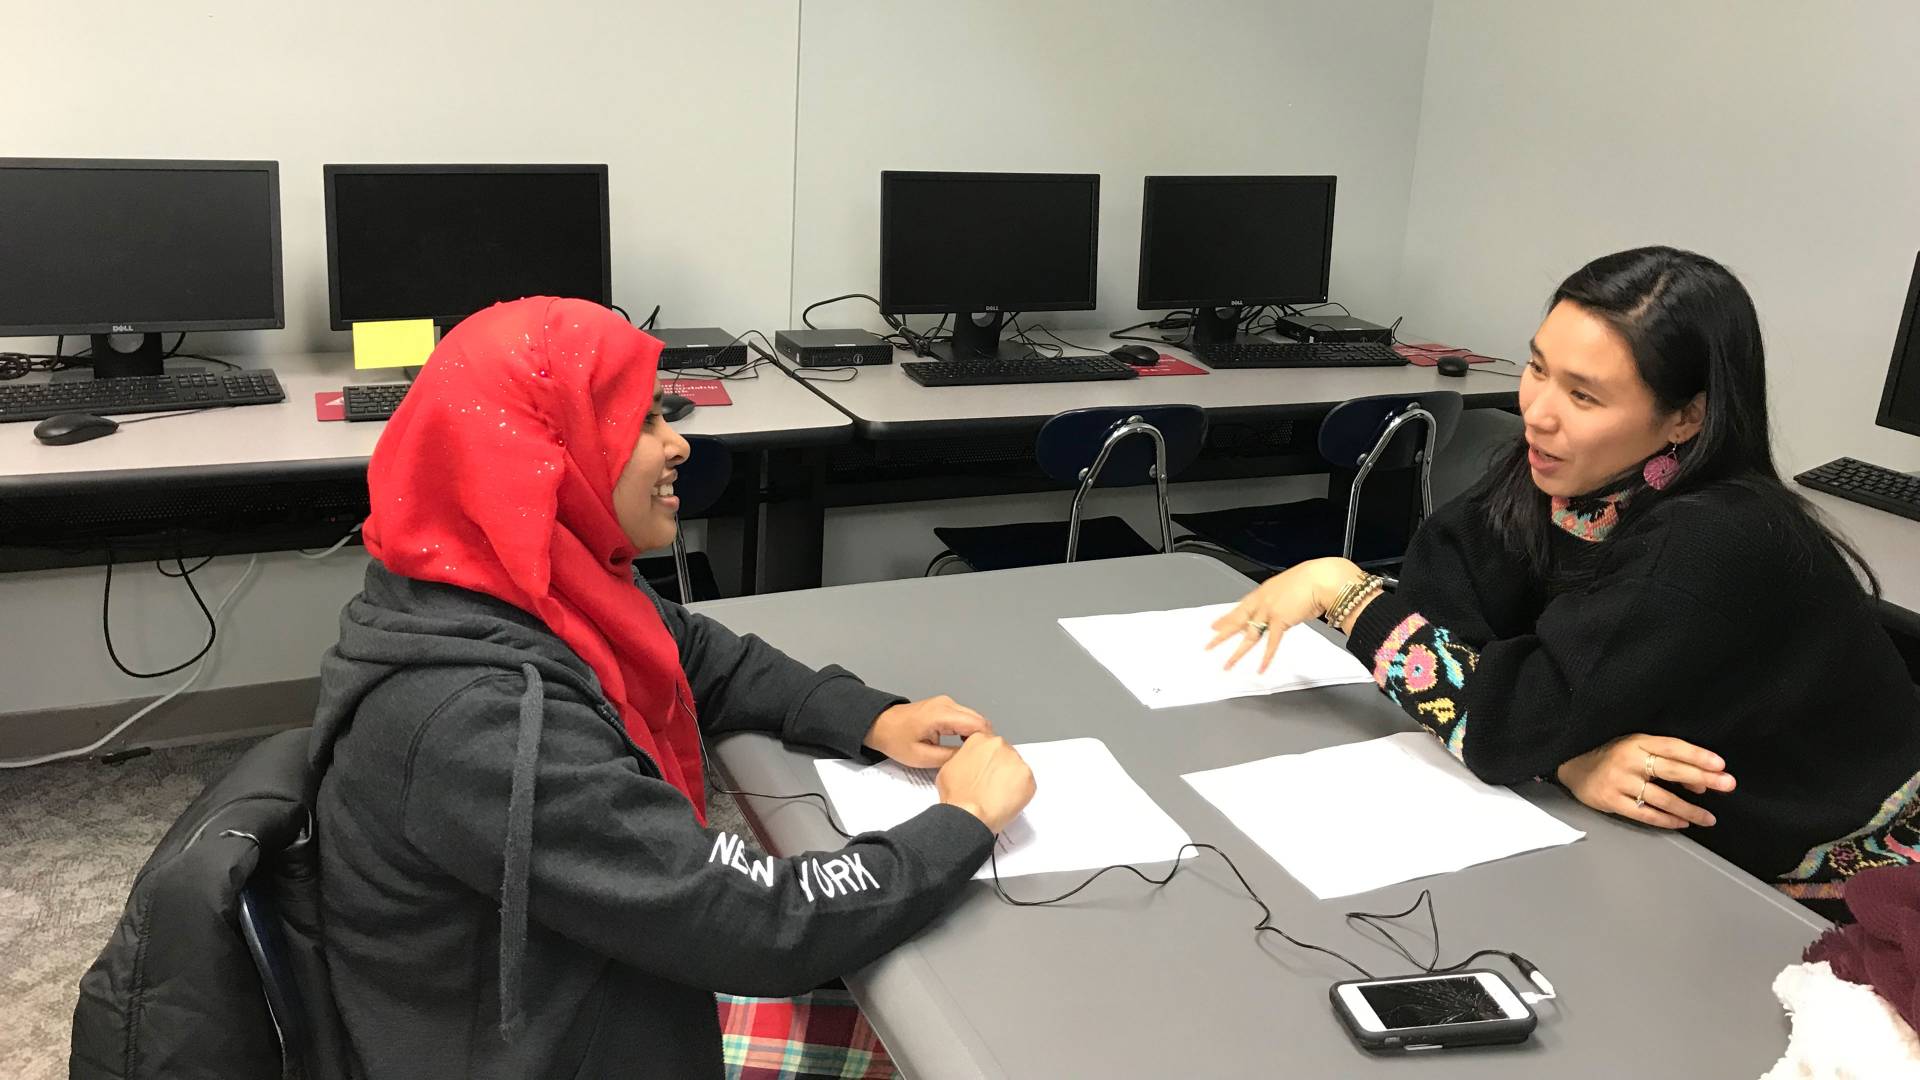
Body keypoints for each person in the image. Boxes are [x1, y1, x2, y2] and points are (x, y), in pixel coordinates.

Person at [309, 297, 1036, 1078]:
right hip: (551, 1048)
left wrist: (873, 717)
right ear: (543, 456)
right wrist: (961, 822)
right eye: (642, 423)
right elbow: (758, 924)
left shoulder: (520, 581)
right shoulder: (481, 725)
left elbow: (694, 653)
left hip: (591, 982)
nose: (677, 443)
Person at [1207, 247, 1920, 917]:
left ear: (1685, 417)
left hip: (1841, 882)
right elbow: (1448, 621)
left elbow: (1497, 723)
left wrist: (1346, 592)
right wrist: (1566, 759)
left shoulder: (1711, 537)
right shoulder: (1573, 478)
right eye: (1538, 368)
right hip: (1678, 851)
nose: (1537, 412)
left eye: (1584, 396)